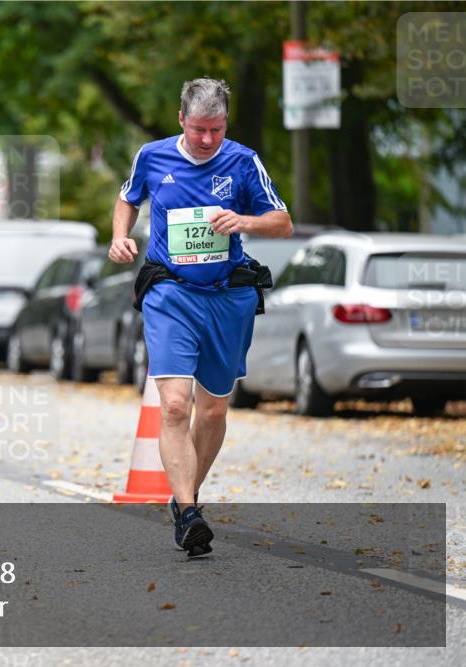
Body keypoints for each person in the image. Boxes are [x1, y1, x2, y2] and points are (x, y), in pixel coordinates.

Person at [109, 78, 292, 556]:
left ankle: (181, 497)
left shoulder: (243, 161)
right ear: (181, 121)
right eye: (198, 130)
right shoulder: (152, 156)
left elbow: (282, 221)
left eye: (216, 129)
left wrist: (244, 221)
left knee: (212, 411)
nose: (207, 139)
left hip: (227, 299)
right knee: (174, 405)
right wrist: (119, 236)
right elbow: (128, 198)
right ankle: (190, 512)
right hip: (170, 292)